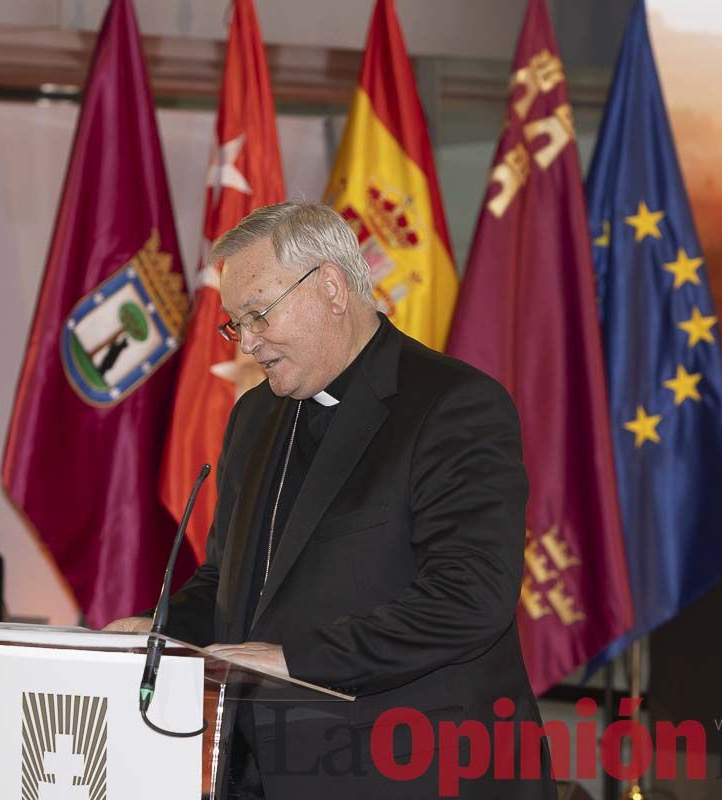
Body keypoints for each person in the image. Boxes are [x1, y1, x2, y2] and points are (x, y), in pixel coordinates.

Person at [108, 201, 555, 799]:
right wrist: (162, 629)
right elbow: (230, 582)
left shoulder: (452, 405)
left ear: (331, 288)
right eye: (236, 323)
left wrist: (297, 659)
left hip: (413, 772)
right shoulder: (255, 416)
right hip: (262, 772)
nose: (248, 343)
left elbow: (470, 600)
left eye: (258, 315)